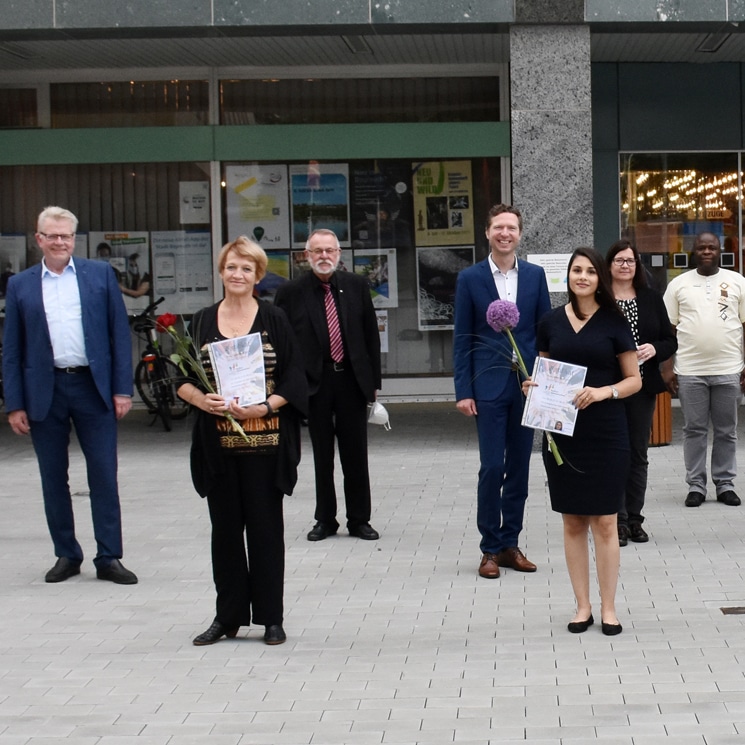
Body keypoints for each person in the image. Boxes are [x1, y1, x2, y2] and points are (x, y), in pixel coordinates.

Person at [177, 236, 307, 646]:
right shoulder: (200, 321)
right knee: (225, 532)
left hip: (265, 444)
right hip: (218, 446)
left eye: (246, 269)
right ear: (221, 271)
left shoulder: (274, 319)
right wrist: (202, 399)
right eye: (232, 267)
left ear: (258, 275)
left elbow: (296, 379)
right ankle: (227, 617)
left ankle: (271, 617)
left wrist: (265, 407)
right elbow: (181, 379)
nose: (238, 274)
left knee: (266, 531)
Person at [2, 206, 137, 584]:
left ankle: (109, 556)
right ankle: (66, 554)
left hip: (92, 389)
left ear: (74, 239)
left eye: (66, 236)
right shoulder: (21, 285)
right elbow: (12, 349)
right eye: (52, 235)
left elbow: (117, 334)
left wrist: (122, 389)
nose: (60, 242)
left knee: (104, 475)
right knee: (53, 478)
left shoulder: (99, 276)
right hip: (43, 391)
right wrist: (15, 404)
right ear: (39, 239)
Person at [527, 247, 641, 635]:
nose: (582, 277)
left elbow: (634, 380)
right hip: (562, 432)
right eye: (576, 270)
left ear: (599, 279)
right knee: (573, 520)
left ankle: (609, 608)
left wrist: (601, 391)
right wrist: (533, 386)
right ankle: (582, 607)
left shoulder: (614, 321)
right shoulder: (550, 321)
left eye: (590, 271)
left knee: (606, 522)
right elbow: (546, 371)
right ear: (568, 277)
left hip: (606, 431)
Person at [453, 203, 551, 579]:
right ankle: (489, 548)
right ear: (488, 233)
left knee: (520, 468)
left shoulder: (535, 276)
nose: (505, 234)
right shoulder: (470, 279)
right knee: (492, 466)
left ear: (520, 234)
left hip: (526, 386)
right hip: (488, 384)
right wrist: (464, 389)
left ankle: (511, 543)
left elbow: (544, 333)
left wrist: (545, 381)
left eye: (511, 228)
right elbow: (462, 338)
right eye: (498, 227)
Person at [275, 228, 382, 542]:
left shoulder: (357, 286)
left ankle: (359, 519)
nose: (324, 256)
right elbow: (283, 344)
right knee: (322, 456)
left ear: (339, 254)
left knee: (355, 454)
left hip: (350, 380)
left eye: (329, 251)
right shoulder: (291, 292)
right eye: (317, 251)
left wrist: (373, 383)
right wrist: (288, 386)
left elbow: (369, 337)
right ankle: (325, 519)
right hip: (314, 383)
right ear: (307, 256)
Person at [662, 231, 745, 508]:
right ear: (693, 251)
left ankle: (725, 484)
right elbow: (668, 330)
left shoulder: (737, 282)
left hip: (729, 368)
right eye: (701, 247)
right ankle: (696, 485)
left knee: (726, 431)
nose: (707, 251)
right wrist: (667, 367)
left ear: (720, 250)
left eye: (712, 247)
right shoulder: (678, 285)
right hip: (690, 371)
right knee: (694, 430)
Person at [607, 240, 677, 546]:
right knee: (613, 454)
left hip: (643, 385)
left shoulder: (650, 298)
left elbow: (670, 340)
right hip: (608, 385)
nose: (625, 265)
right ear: (609, 265)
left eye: (631, 261)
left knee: (638, 453)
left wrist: (655, 348)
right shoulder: (601, 299)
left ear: (637, 266)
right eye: (619, 260)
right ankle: (617, 520)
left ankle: (635, 519)